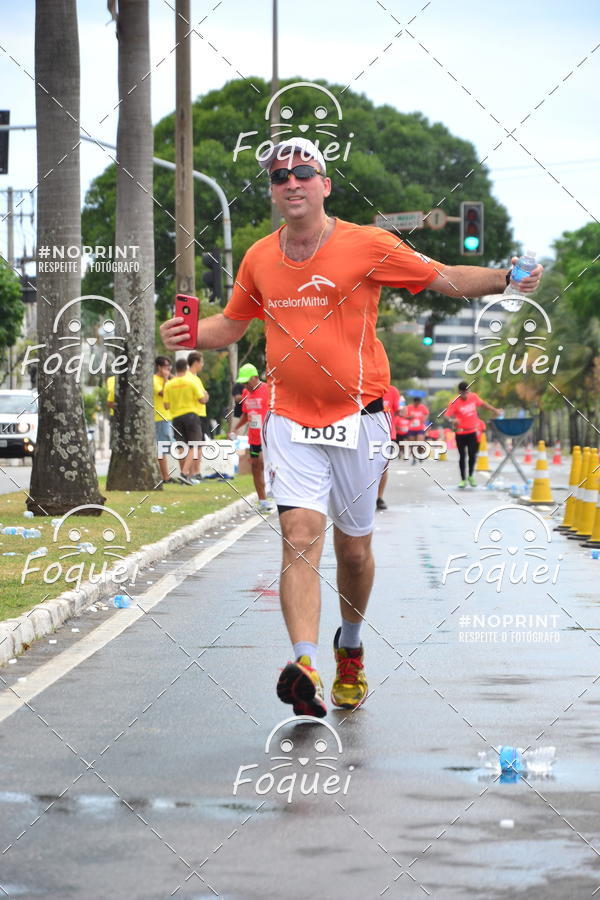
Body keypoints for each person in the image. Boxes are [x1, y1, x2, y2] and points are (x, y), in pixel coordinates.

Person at [159, 137, 543, 718]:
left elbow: (442, 278)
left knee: (354, 551)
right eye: (279, 175)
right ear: (272, 188)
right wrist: (192, 335)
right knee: (299, 537)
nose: (291, 182)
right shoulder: (260, 256)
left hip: (360, 419)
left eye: (303, 173)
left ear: (324, 184)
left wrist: (505, 278)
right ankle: (305, 664)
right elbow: (232, 326)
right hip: (289, 418)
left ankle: (351, 649)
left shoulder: (367, 245)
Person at [230, 363, 272, 512]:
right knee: (255, 466)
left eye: (247, 381)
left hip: (269, 438)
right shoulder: (246, 394)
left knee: (267, 465)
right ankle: (263, 502)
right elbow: (246, 415)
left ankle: (282, 497)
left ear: (255, 377)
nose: (245, 384)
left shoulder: (268, 390)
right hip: (254, 439)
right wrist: (235, 428)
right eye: (243, 382)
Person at [446, 381, 502, 488]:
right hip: (460, 433)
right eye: (463, 393)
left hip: (472, 432)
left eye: (467, 392)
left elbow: (484, 405)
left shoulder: (474, 397)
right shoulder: (454, 402)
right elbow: (447, 416)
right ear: (459, 392)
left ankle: (471, 476)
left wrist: (495, 410)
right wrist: (453, 420)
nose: (465, 395)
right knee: (462, 456)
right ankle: (463, 479)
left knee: (472, 455)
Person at [163, 358, 205, 485]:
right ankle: (184, 473)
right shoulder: (191, 382)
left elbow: (166, 405)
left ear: (176, 368)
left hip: (176, 418)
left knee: (182, 447)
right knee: (195, 445)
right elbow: (202, 399)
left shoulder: (169, 384)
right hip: (191, 415)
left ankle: (184, 477)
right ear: (186, 368)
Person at [377, 384, 402, 510]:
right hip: (367, 434)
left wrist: (403, 410)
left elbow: (400, 410)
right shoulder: (364, 388)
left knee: (383, 466)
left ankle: (379, 498)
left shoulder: (392, 391)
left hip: (388, 434)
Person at [187, 351, 210, 480]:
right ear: (196, 362)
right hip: (198, 414)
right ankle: (196, 472)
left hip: (194, 414)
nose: (202, 365)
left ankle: (191, 473)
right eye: (201, 362)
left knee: (192, 445)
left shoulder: (194, 378)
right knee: (198, 445)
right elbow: (203, 397)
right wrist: (205, 396)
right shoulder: (193, 379)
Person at [153, 356, 174, 483]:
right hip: (159, 417)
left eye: (169, 367)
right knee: (162, 447)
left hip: (169, 416)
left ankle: (166, 475)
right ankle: (165, 476)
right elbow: (163, 393)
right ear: (159, 367)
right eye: (165, 367)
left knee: (167, 446)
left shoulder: (170, 379)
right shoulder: (154, 380)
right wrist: (166, 379)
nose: (168, 369)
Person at [405, 395, 429, 464]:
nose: (417, 405)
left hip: (420, 428)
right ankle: (414, 458)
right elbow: (405, 416)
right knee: (413, 444)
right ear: (414, 402)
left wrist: (424, 418)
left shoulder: (422, 407)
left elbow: (426, 414)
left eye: (418, 403)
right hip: (411, 428)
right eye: (416, 403)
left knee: (420, 443)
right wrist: (410, 417)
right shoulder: (409, 407)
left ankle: (420, 455)